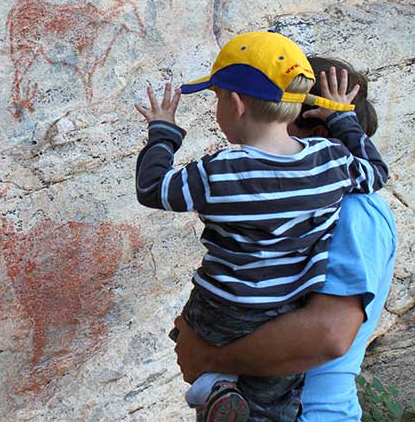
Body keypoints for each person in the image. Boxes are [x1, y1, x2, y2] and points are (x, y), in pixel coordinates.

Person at [134, 31, 389, 422]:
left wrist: (163, 131)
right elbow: (375, 170)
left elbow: (329, 335)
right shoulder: (331, 165)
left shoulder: (355, 214)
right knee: (269, 401)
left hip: (306, 401)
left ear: (236, 104)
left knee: (192, 327)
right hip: (279, 322)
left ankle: (215, 385)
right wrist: (343, 121)